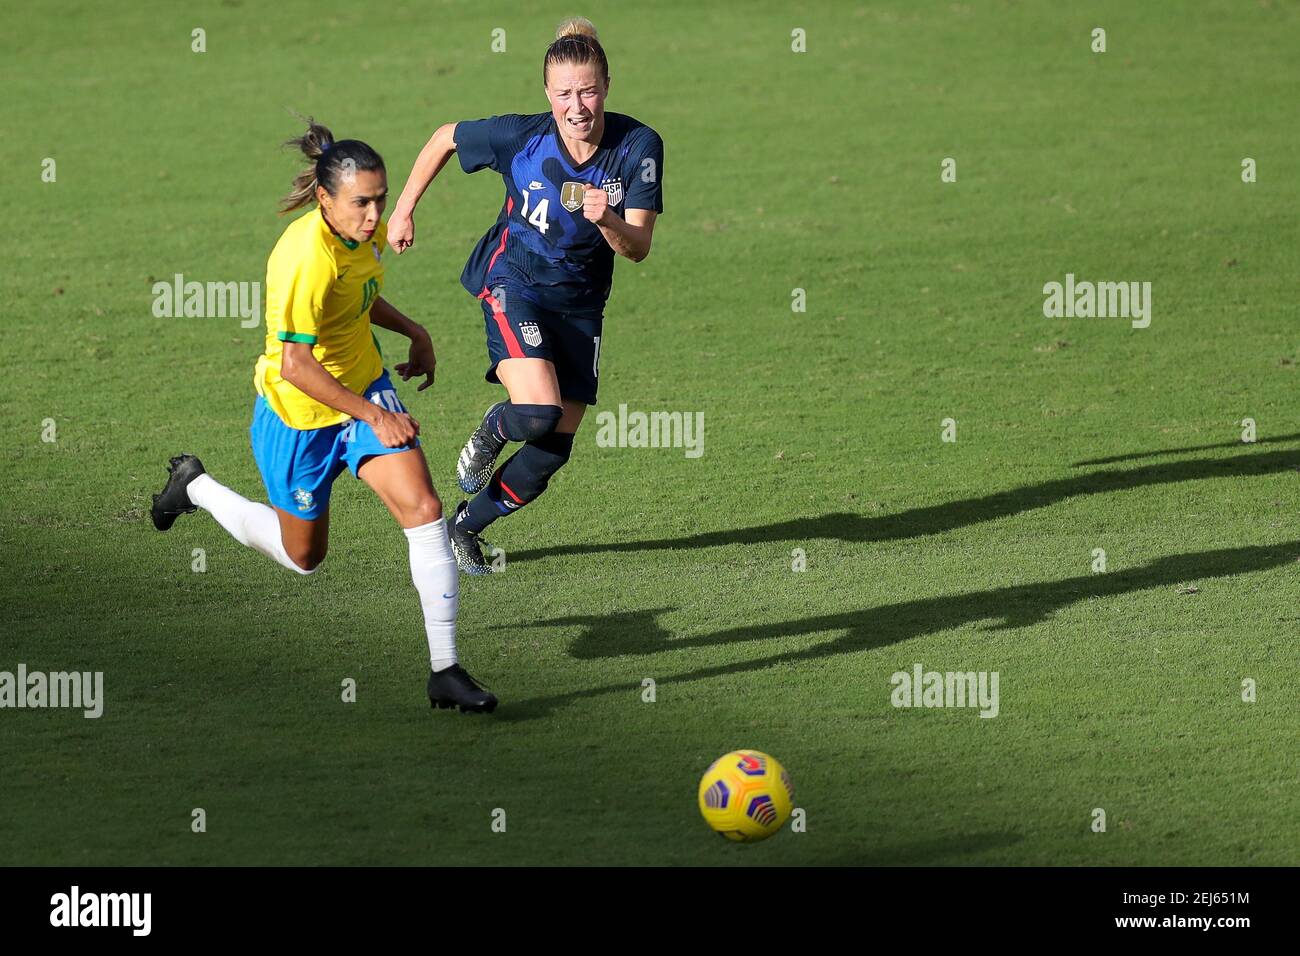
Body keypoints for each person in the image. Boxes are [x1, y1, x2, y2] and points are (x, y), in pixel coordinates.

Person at [150, 121, 496, 713]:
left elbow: (356, 297)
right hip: (298, 416)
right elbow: (295, 365)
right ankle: (196, 487)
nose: (374, 213)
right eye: (362, 202)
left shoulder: (364, 236)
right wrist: (375, 417)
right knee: (303, 558)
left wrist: (414, 330)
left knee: (426, 509)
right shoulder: (301, 257)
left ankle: (446, 670)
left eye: (381, 198)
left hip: (363, 388)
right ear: (325, 199)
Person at [387, 16, 664, 573]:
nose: (577, 106)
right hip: (513, 282)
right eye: (564, 93)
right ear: (547, 93)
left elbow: (637, 248)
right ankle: (492, 429)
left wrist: (606, 217)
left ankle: (465, 526)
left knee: (550, 452)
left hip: (582, 305)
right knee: (538, 410)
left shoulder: (638, 146)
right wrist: (403, 207)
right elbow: (446, 136)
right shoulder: (523, 137)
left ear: (606, 85)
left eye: (587, 90)